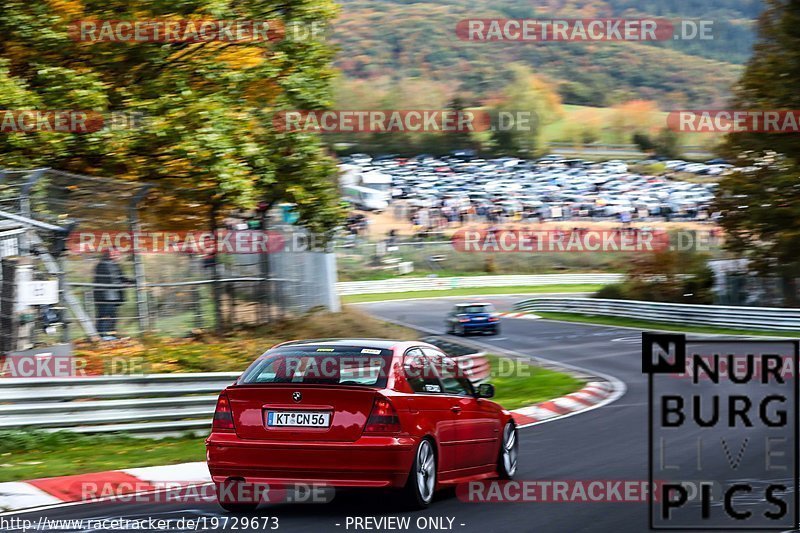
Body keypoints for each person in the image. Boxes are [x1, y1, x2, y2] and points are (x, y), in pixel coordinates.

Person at [93, 248, 131, 341]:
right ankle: (102, 336)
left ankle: (111, 335)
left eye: (117, 254)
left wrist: (132, 281)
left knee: (113, 317)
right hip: (104, 296)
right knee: (104, 316)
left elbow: (121, 277)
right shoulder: (101, 265)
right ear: (107, 254)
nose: (116, 256)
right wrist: (122, 285)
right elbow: (106, 281)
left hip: (114, 296)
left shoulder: (115, 265)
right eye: (114, 254)